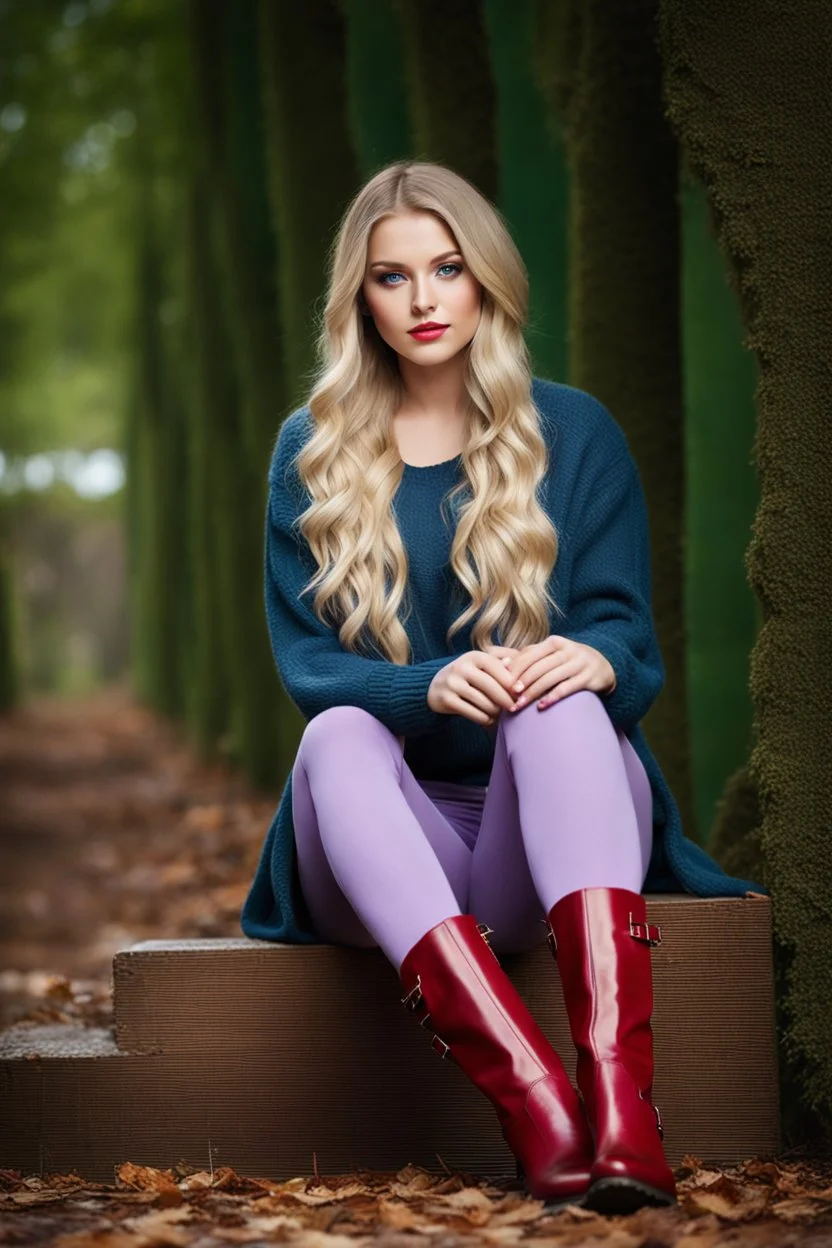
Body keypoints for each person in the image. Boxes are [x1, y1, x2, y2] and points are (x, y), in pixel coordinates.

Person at [240, 160, 764, 1215]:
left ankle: (619, 1104)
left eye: (446, 268)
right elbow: (310, 669)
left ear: (486, 282)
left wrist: (599, 657)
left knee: (558, 699)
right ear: (360, 300)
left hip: (542, 840)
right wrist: (429, 686)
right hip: (381, 847)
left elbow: (623, 624)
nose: (424, 299)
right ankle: (534, 1103)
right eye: (393, 278)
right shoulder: (311, 452)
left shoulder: (573, 433)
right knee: (335, 737)